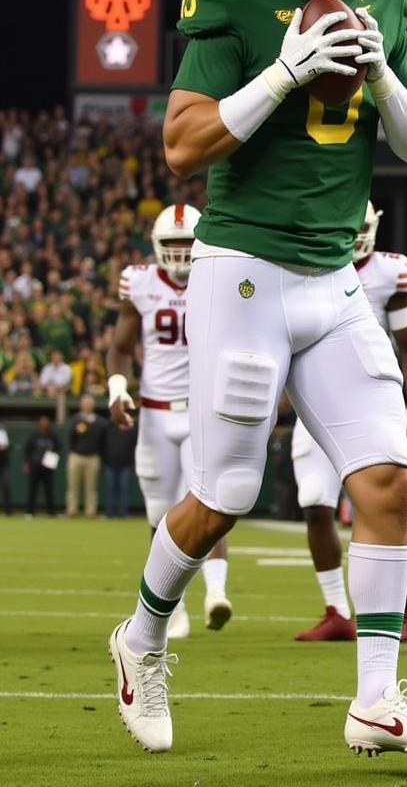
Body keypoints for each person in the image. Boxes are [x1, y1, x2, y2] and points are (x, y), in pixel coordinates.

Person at [107, 0, 407, 761]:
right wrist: (283, 71)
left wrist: (382, 72)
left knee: (387, 476)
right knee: (225, 493)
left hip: (336, 278)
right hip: (244, 271)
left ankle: (378, 702)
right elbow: (183, 149)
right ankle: (141, 637)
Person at [291, 202, 407, 644]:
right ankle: (336, 610)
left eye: (365, 227)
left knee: (375, 501)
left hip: (364, 399)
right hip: (312, 397)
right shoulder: (300, 261)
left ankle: (400, 592)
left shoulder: (389, 272)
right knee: (313, 502)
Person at [107, 204, 233, 640]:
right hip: (156, 413)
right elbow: (120, 347)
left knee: (211, 503)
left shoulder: (219, 275)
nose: (180, 256)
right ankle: (170, 608)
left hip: (201, 408)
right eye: (172, 246)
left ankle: (216, 592)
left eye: (187, 245)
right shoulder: (139, 283)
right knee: (160, 515)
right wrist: (116, 386)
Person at [65, 393, 109, 518]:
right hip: (76, 456)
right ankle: (72, 510)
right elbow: (69, 438)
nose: (88, 405)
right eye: (85, 403)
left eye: (90, 403)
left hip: (93, 457)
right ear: (81, 405)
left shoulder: (100, 422)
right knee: (73, 485)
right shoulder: (75, 419)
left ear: (93, 405)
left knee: (91, 487)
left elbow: (103, 441)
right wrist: (72, 451)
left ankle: (90, 512)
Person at [23, 414, 61, 517]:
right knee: (32, 490)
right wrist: (26, 464)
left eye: (46, 423)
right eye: (42, 423)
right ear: (39, 424)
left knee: (49, 490)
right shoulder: (33, 436)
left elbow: (58, 448)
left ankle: (51, 512)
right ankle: (29, 512)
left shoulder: (53, 436)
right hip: (35, 467)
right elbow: (27, 450)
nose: (44, 425)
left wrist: (53, 459)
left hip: (47, 468)